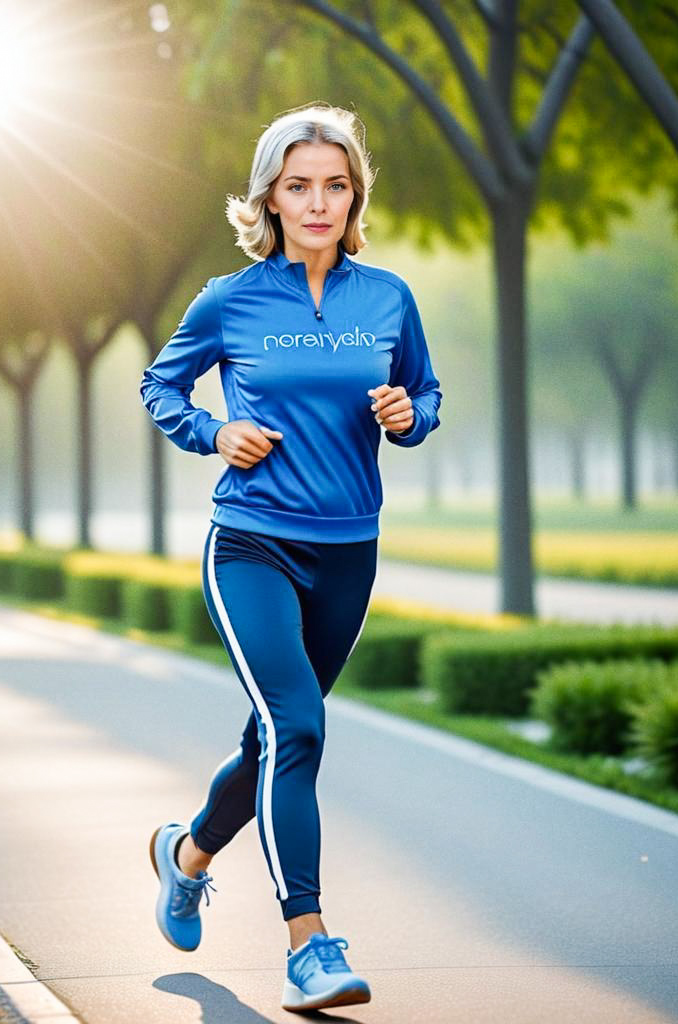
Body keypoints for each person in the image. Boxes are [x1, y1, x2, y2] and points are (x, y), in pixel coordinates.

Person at [139, 101, 441, 1014]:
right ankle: (309, 946)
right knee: (299, 729)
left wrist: (408, 417)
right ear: (270, 195)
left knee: (273, 735)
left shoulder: (387, 297)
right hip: (253, 545)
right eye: (299, 185)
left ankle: (186, 856)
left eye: (336, 186)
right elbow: (161, 382)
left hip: (349, 554)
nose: (318, 202)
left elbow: (424, 394)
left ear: (356, 197)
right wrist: (212, 428)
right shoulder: (230, 300)